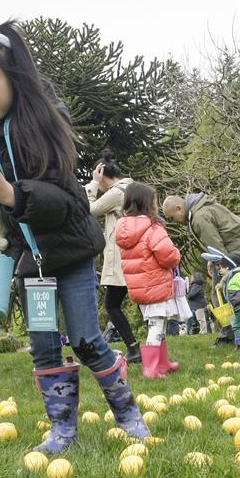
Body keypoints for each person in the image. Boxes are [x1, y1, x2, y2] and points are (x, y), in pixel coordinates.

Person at [0, 0, 150, 454]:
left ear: (11, 75)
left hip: (71, 254)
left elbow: (64, 200)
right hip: (32, 266)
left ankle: (128, 413)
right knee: (42, 346)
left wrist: (12, 196)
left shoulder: (44, 125)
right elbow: (5, 206)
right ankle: (63, 431)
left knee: (86, 339)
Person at [163, 192, 240, 345]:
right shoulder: (199, 210)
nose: (175, 222)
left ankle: (239, 335)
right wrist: (211, 261)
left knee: (223, 294)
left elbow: (217, 248)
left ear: (179, 208)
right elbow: (216, 243)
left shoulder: (199, 218)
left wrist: (224, 269)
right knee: (234, 293)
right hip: (238, 247)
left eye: (172, 218)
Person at [115, 182, 189, 379]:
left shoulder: (124, 229)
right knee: (156, 325)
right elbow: (168, 257)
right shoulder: (153, 227)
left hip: (140, 286)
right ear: (147, 203)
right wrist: (176, 253)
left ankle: (163, 362)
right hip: (155, 285)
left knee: (158, 323)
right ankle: (151, 368)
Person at [85, 148, 141, 362]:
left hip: (121, 258)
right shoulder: (132, 187)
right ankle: (150, 345)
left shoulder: (117, 192)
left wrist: (93, 185)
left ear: (101, 173)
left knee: (111, 305)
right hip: (135, 254)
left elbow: (89, 209)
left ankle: (134, 348)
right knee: (142, 302)